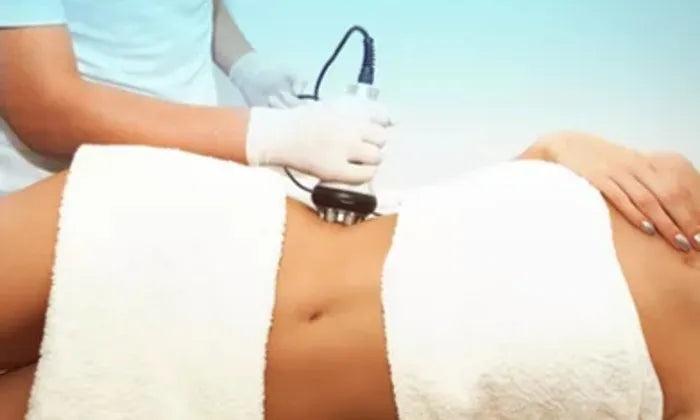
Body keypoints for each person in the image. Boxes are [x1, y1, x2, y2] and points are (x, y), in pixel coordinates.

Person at [0, 132, 698, 419]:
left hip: (197, 400)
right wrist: (554, 147)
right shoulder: (671, 189)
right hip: (178, 230)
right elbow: (460, 232)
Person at [0, 0, 393, 195]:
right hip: (62, 196)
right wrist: (269, 135)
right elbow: (44, 109)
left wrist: (247, 67)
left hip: (192, 177)